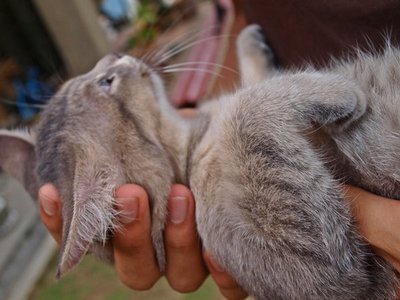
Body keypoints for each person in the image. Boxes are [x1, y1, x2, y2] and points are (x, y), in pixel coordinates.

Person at [38, 1, 400, 299]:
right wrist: (252, 113)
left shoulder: (208, 145)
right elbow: (326, 280)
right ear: (110, 180)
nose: (115, 58)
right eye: (105, 82)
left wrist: (256, 83)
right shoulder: (209, 204)